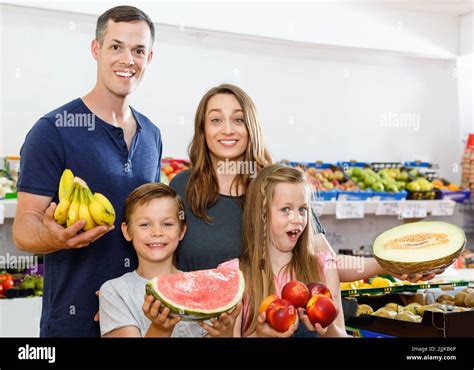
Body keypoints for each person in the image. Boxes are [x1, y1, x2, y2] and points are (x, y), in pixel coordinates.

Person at [12, 6, 162, 337]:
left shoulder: (151, 135)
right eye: (116, 47)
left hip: (136, 320)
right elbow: (23, 228)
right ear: (96, 50)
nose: (128, 59)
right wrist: (54, 237)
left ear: (149, 58)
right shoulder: (53, 131)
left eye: (138, 50)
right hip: (73, 324)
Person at [99, 183, 240, 337]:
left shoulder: (200, 288)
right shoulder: (114, 292)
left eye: (167, 224)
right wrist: (161, 329)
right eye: (145, 224)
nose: (157, 232)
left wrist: (224, 333)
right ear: (127, 231)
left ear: (181, 231)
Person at [170, 84, 274, 271]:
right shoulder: (181, 186)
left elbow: (320, 256)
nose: (227, 130)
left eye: (238, 120)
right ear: (203, 129)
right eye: (216, 120)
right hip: (193, 300)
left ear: (252, 127)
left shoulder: (276, 184)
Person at [234, 164, 348, 337]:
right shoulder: (236, 274)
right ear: (262, 214)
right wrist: (260, 334)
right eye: (286, 210)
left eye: (302, 209)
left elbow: (341, 335)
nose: (297, 219)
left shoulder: (323, 266)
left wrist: (327, 326)